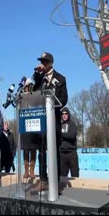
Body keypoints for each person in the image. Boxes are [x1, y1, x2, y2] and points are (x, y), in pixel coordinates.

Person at [31, 52, 68, 192]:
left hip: (54, 119)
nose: (43, 64)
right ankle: (43, 180)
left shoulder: (60, 78)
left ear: (51, 63)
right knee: (41, 151)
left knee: (55, 151)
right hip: (40, 119)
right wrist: (36, 74)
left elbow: (64, 99)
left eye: (45, 62)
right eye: (41, 61)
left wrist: (52, 103)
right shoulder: (39, 78)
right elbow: (32, 92)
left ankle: (55, 181)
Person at [59, 107, 79, 178]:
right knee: (62, 177)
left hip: (72, 153)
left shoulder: (72, 125)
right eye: (63, 114)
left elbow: (72, 136)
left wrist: (61, 134)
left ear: (68, 115)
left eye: (66, 114)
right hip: (62, 154)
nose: (64, 115)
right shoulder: (59, 125)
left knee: (75, 176)